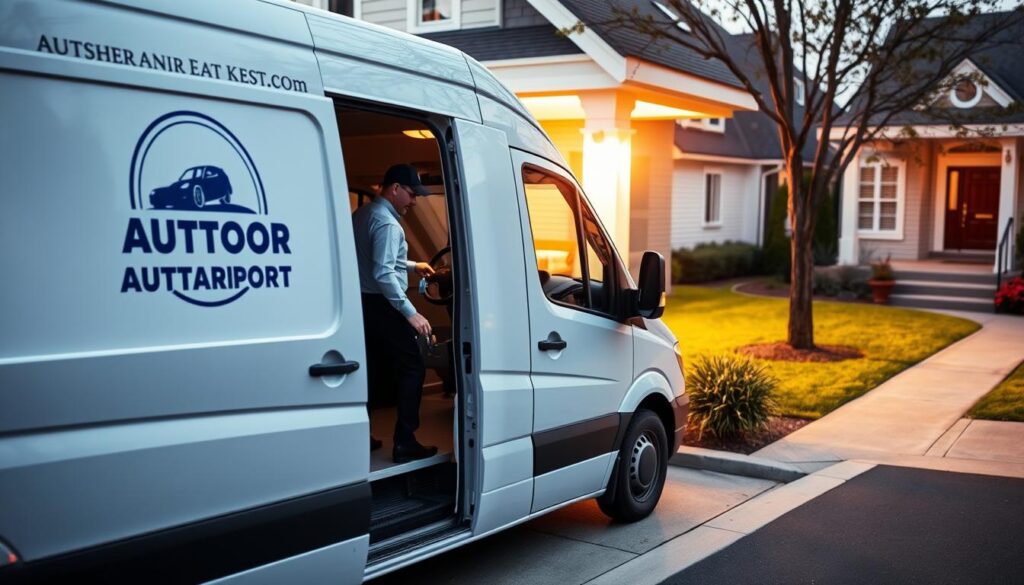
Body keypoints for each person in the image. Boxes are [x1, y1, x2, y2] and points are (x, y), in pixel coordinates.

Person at [353, 163, 439, 463]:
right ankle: (405, 442)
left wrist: (413, 266)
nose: (414, 202)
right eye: (412, 194)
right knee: (413, 368)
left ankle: (360, 437)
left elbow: (376, 258)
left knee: (369, 370)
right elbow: (384, 273)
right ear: (395, 189)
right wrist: (410, 312)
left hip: (362, 304)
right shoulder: (389, 225)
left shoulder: (363, 214)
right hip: (384, 305)